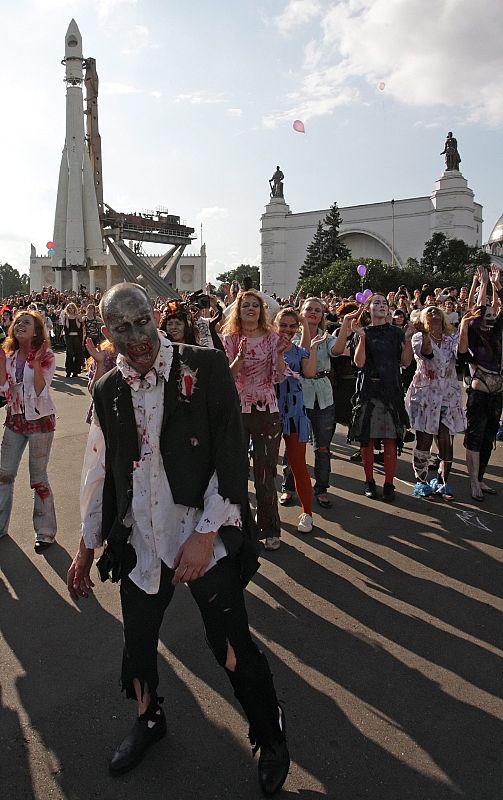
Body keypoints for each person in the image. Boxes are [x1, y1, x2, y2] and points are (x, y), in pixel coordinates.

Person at [67, 283, 290, 796]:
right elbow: (99, 469)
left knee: (231, 647)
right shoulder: (108, 390)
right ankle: (149, 719)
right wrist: (86, 544)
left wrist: (207, 534)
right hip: (142, 539)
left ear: (155, 315)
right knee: (139, 644)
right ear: (106, 334)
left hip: (201, 530)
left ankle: (269, 732)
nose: (138, 337)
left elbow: (229, 454)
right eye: (121, 328)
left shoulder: (205, 367)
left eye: (142, 320)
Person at [222, 290, 288, 551]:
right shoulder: (230, 338)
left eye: (255, 306)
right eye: (245, 306)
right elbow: (227, 378)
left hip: (265, 409)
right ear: (238, 311)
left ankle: (270, 528)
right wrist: (239, 357)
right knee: (235, 471)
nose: (250, 309)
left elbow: (278, 376)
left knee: (265, 472)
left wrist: (280, 355)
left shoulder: (272, 338)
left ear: (262, 311)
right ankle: (238, 527)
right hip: (237, 408)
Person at [0, 310, 57, 551]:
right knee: (3, 474)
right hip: (15, 420)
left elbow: (41, 391)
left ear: (37, 331)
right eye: (18, 322)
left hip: (39, 421)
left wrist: (34, 363)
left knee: (38, 479)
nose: (21, 325)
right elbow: (4, 388)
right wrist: (1, 364)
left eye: (27, 323)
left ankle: (45, 532)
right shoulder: (10, 356)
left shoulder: (47, 356)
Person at [349, 294, 414, 502]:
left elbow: (405, 362)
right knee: (366, 439)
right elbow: (359, 363)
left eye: (384, 303)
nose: (381, 306)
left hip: (391, 391)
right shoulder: (362, 332)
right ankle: (369, 481)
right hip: (368, 390)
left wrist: (407, 339)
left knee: (391, 440)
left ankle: (389, 484)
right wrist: (362, 338)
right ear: (368, 308)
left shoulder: (396, 333)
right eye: (376, 303)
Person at [295, 297, 358, 508]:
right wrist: (303, 327)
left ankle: (321, 489)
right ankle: (288, 486)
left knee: (323, 447)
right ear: (301, 312)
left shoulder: (326, 337)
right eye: (309, 310)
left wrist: (345, 324)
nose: (313, 313)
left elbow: (338, 350)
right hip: (299, 395)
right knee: (296, 448)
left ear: (323, 315)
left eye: (317, 310)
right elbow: (302, 355)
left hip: (323, 394)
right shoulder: (292, 336)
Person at [406, 306, 466, 500]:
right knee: (423, 440)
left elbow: (463, 352)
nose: (433, 312)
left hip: (449, 394)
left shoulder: (452, 339)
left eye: (436, 310)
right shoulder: (418, 338)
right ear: (423, 318)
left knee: (446, 440)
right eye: (429, 311)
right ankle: (422, 482)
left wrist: (464, 323)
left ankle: (442, 483)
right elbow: (429, 355)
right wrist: (424, 333)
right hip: (425, 396)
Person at [458, 266, 503, 500]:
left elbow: (499, 309)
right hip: (480, 390)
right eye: (487, 316)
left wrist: (497, 286)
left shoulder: (496, 334)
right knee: (475, 437)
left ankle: (481, 477)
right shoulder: (474, 333)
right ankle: (473, 481)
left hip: (497, 394)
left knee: (488, 438)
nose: (491, 318)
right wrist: (482, 284)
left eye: (493, 317)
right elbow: (476, 310)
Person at [274, 308, 317, 533]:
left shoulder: (300, 351)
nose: (288, 330)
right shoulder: (265, 347)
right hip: (269, 410)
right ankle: (267, 513)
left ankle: (307, 514)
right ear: (274, 324)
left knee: (298, 464)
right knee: (266, 465)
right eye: (283, 325)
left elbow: (309, 371)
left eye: (292, 326)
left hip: (294, 412)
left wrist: (306, 328)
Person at [63, 301, 84, 377]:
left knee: (77, 354)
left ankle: (76, 371)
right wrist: (67, 319)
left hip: (77, 338)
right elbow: (67, 328)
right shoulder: (66, 317)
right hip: (69, 338)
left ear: (75, 309)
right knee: (69, 354)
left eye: (72, 308)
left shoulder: (78, 316)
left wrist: (76, 319)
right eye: (69, 308)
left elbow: (79, 327)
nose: (71, 310)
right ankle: (68, 371)